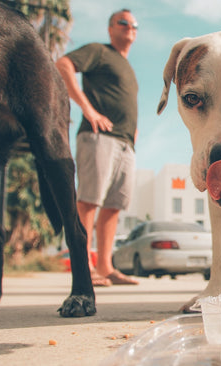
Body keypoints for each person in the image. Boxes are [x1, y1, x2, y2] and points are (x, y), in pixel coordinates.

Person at [56, 9, 139, 286]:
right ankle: (83, 267)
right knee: (90, 200)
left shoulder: (126, 65)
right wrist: (88, 109)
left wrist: (133, 131)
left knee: (114, 205)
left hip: (125, 142)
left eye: (133, 25)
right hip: (98, 136)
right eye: (123, 23)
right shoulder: (100, 52)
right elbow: (63, 65)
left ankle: (105, 266)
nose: (130, 28)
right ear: (110, 29)